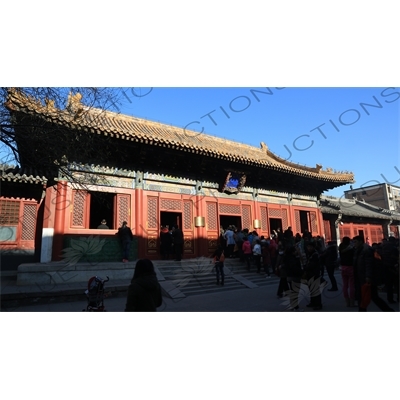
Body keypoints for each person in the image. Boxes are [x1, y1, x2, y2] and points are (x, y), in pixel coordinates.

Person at [353, 235, 394, 312]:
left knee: (372, 297)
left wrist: (368, 276)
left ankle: (388, 310)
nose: (354, 244)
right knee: (365, 297)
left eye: (355, 242)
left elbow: (369, 264)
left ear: (360, 242)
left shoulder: (366, 250)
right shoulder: (358, 250)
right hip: (361, 276)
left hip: (366, 277)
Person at [304, 241, 322, 310]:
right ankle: (313, 302)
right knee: (311, 289)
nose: (309, 248)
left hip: (314, 273)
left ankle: (318, 304)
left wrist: (306, 267)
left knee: (315, 289)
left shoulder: (315, 254)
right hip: (310, 273)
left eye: (310, 247)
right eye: (308, 247)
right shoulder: (310, 254)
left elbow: (313, 265)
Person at [339, 236, 356, 307]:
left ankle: (347, 302)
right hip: (350, 266)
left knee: (345, 285)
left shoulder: (341, 247)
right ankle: (352, 302)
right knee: (352, 285)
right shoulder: (351, 249)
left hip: (343, 267)